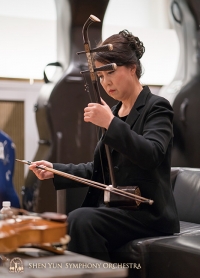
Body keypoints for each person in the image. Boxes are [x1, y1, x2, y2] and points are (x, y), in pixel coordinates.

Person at [29, 30, 180, 262]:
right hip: (119, 208)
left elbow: (152, 154)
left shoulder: (157, 107)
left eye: (110, 72)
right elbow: (99, 170)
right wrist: (55, 170)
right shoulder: (114, 113)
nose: (105, 82)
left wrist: (110, 124)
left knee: (81, 219)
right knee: (73, 220)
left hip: (148, 213)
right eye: (100, 77)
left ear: (132, 67)